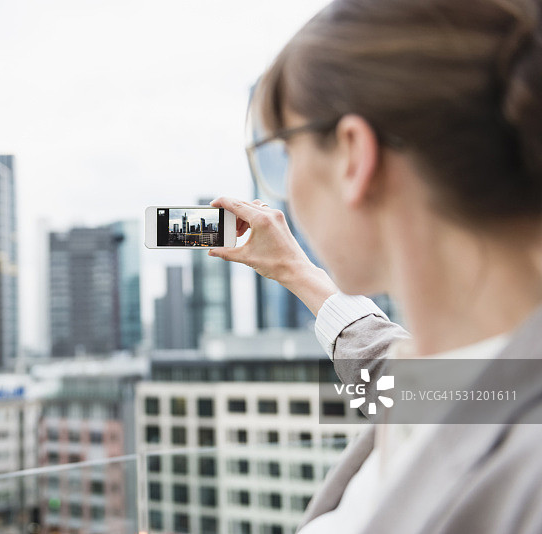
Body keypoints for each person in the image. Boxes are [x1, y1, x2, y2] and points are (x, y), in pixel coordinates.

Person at [208, 0, 542, 532]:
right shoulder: (477, 378)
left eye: (285, 155)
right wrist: (297, 272)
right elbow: (408, 381)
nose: (287, 187)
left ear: (352, 156)